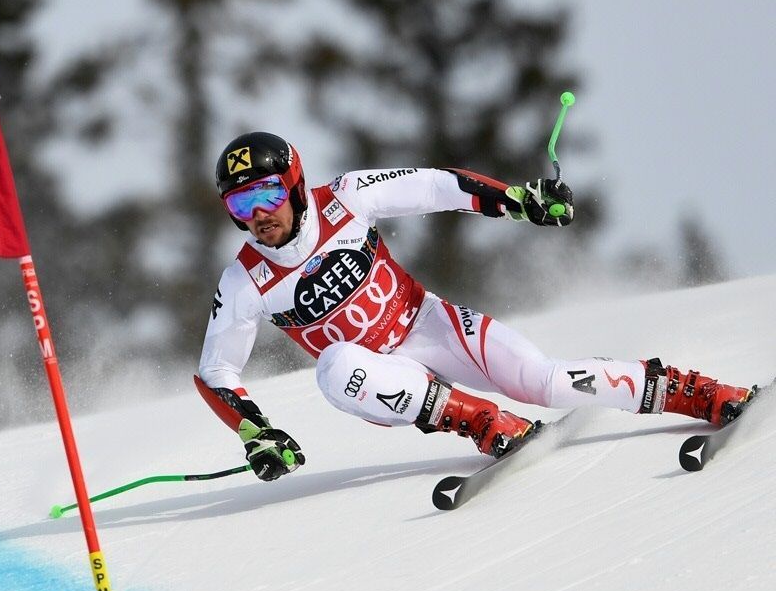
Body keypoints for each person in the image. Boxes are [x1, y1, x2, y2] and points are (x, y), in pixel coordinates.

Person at [195, 132, 754, 481]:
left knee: (545, 380)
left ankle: (701, 393)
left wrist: (516, 202)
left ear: (293, 186)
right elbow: (216, 370)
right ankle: (485, 423)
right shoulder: (246, 279)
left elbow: (438, 187)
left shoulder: (346, 196)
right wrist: (256, 432)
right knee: (334, 365)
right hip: (380, 378)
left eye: (266, 192)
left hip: (429, 324)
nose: (258, 213)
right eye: (240, 202)